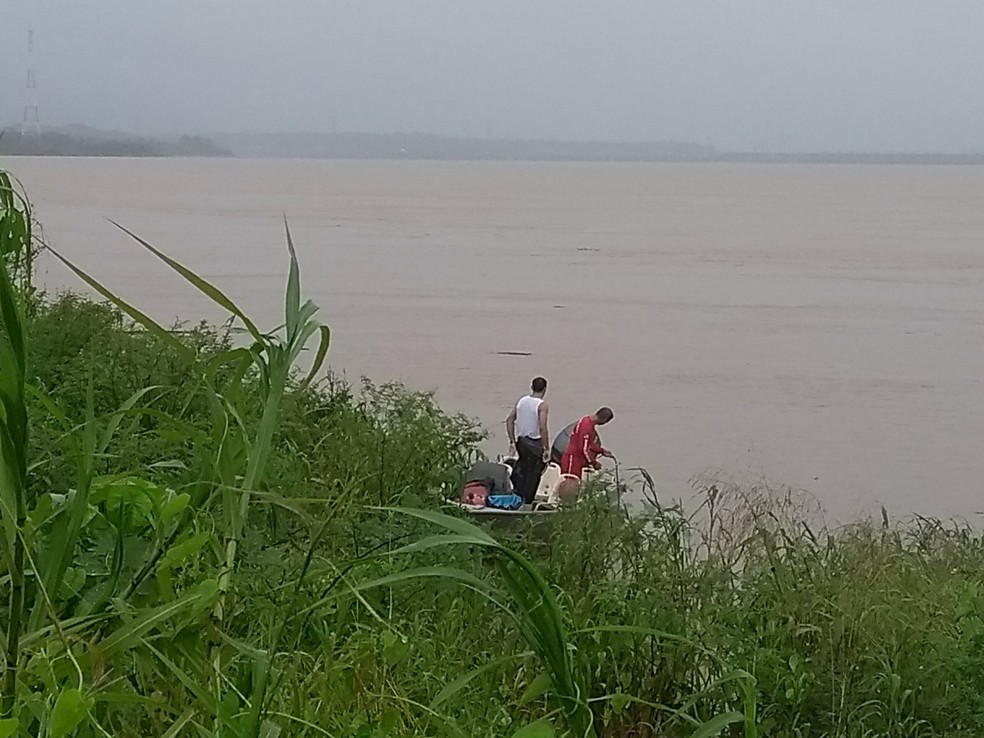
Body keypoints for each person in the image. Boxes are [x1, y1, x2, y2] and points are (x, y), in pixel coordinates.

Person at [505, 376, 550, 504]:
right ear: (545, 389)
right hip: (534, 443)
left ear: (531, 387)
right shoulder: (542, 405)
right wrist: (546, 448)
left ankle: (516, 497)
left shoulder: (522, 401)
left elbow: (509, 420)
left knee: (522, 470)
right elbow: (542, 427)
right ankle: (527, 502)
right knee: (534, 475)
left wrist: (512, 441)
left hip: (521, 442)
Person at [560, 407, 614, 480]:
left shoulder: (586, 420)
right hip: (572, 459)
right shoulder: (587, 428)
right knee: (570, 481)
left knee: (575, 482)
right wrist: (594, 463)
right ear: (604, 420)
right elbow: (584, 450)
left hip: (575, 459)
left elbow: (589, 444)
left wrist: (601, 451)